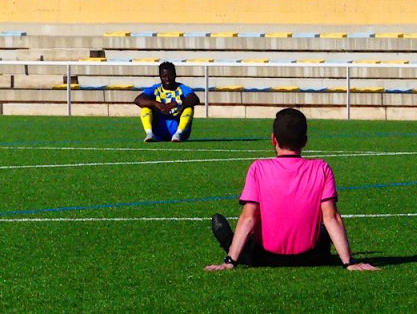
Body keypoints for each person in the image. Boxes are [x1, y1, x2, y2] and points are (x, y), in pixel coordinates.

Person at [204, 108, 379, 272]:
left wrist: (229, 261)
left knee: (245, 245)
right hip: (311, 257)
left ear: (273, 139)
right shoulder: (322, 168)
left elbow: (249, 218)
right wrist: (349, 262)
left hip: (265, 257)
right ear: (305, 141)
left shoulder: (258, 168)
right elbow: (331, 217)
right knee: (324, 231)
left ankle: (227, 241)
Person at [133, 62, 200, 142]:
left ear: (175, 75)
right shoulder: (155, 89)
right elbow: (138, 100)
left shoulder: (181, 88)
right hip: (159, 128)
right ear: (160, 77)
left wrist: (176, 103)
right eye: (164, 76)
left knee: (189, 108)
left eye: (170, 76)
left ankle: (178, 134)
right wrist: (157, 104)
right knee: (145, 108)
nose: (167, 79)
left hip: (177, 126)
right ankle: (150, 134)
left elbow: (194, 99)